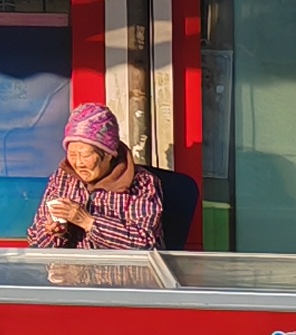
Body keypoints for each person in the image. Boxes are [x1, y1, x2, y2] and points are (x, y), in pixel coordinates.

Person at [25, 102, 193, 251]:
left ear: (108, 154)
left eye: (85, 155)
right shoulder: (63, 178)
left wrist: (88, 222)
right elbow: (35, 241)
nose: (78, 163)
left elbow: (145, 242)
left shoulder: (141, 183)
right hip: (71, 277)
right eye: (72, 154)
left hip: (124, 281)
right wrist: (54, 232)